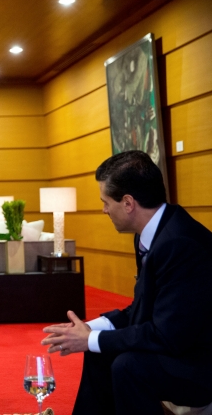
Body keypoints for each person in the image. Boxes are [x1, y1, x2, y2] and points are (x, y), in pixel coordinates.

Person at [41, 150, 212, 414]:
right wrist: (87, 329)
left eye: (106, 201)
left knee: (128, 366)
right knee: (100, 352)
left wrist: (91, 339)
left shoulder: (179, 244)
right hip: (177, 343)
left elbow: (166, 334)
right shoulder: (151, 232)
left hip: (199, 361)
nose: (104, 209)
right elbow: (141, 308)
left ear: (128, 203)